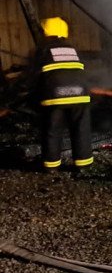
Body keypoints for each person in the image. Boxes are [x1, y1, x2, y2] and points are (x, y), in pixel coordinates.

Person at [31, 16, 93, 172]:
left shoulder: (43, 50)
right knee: (81, 129)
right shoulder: (73, 49)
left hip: (55, 96)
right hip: (80, 94)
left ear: (45, 32)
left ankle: (51, 166)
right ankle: (83, 165)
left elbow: (32, 76)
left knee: (52, 129)